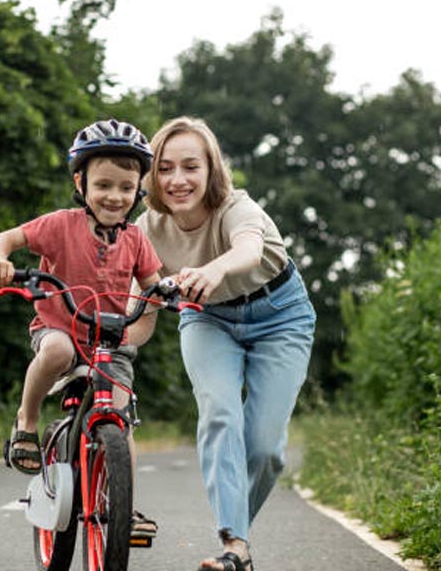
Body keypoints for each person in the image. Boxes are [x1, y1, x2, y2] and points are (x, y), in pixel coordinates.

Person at [130, 117, 316, 571]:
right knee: (219, 413)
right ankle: (234, 547)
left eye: (191, 166)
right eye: (166, 168)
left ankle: (238, 539)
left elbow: (248, 251)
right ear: (152, 175)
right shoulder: (146, 229)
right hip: (206, 319)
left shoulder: (238, 208)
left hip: (280, 317)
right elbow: (143, 307)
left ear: (212, 169)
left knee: (265, 450)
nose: (178, 180)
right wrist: (115, 349)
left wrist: (212, 271)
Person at [0, 119, 163, 539]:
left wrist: (172, 292)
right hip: (58, 328)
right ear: (81, 184)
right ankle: (26, 423)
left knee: (119, 415)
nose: (114, 196)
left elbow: (155, 284)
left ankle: (125, 508)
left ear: (138, 190)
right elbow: (5, 239)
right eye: (103, 185)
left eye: (125, 187)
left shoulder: (136, 239)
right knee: (58, 352)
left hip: (109, 344)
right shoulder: (60, 225)